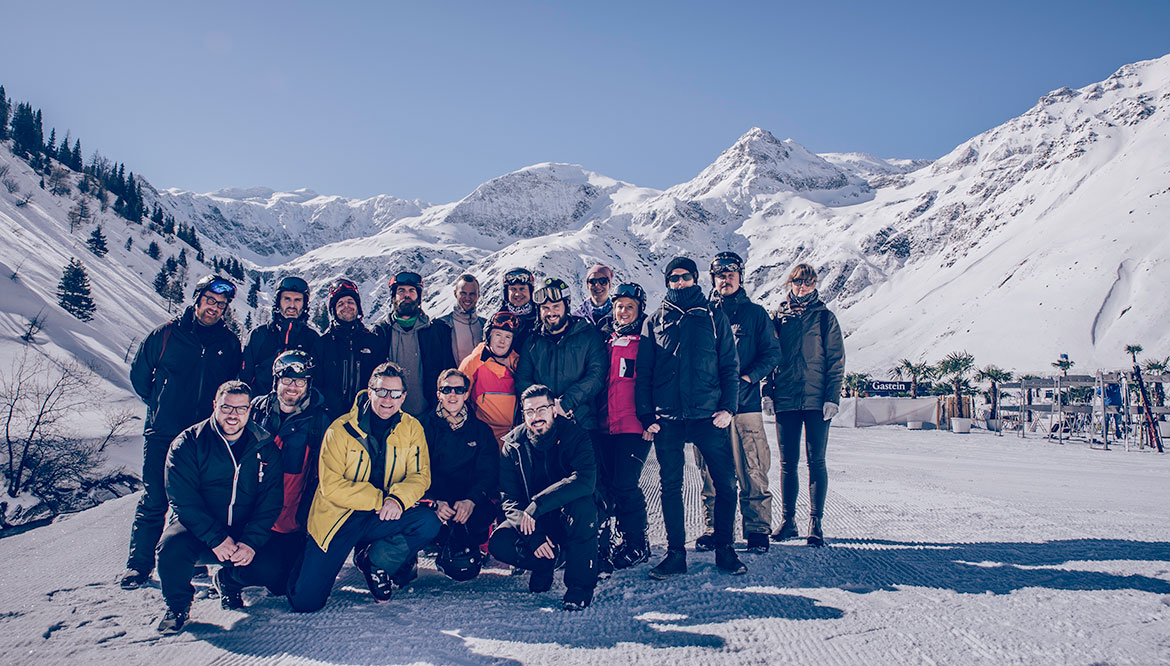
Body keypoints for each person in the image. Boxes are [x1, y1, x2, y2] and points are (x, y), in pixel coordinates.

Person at [287, 362, 441, 611]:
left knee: (427, 521)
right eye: (381, 391)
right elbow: (331, 486)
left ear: (403, 397)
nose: (387, 399)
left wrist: (398, 500)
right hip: (341, 518)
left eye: (394, 393)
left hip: (382, 515)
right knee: (305, 601)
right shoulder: (340, 430)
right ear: (369, 392)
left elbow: (420, 476)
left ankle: (375, 559)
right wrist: (382, 500)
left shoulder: (411, 428)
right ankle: (307, 559)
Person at [123, 275, 243, 590]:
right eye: (210, 301)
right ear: (197, 299)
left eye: (221, 304)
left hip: (204, 436)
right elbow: (140, 377)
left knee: (194, 499)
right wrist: (161, 404)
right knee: (154, 498)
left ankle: (189, 562)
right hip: (163, 432)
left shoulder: (228, 344)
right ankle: (139, 566)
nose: (214, 308)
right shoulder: (165, 335)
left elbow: (231, 387)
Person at [635, 257, 745, 579]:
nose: (679, 283)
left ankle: (725, 550)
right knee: (670, 486)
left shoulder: (713, 316)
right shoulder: (655, 321)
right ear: (667, 282)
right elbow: (643, 374)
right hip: (668, 418)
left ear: (696, 279)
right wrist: (646, 414)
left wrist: (729, 408)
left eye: (685, 277)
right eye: (674, 278)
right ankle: (675, 554)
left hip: (708, 416)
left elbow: (729, 366)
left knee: (726, 483)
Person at [154, 381, 282, 634]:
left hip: (243, 531)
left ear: (249, 411)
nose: (233, 415)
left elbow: (270, 501)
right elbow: (183, 499)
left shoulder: (264, 447)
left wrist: (251, 542)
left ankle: (229, 582)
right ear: (215, 406)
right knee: (170, 549)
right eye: (227, 407)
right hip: (199, 529)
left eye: (241, 408)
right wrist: (216, 538)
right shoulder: (189, 443)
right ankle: (177, 606)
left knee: (279, 570)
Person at [213, 351, 331, 608]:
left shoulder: (320, 420)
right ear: (276, 381)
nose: (292, 387)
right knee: (259, 568)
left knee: (282, 584)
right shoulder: (255, 411)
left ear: (308, 383)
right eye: (286, 379)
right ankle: (229, 578)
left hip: (291, 519)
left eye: (300, 381)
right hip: (253, 514)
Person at [695, 252, 781, 553]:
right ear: (713, 279)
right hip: (709, 408)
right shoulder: (702, 314)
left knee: (753, 468)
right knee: (710, 472)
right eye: (720, 274)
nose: (725, 278)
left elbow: (772, 354)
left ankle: (757, 529)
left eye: (731, 273)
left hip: (745, 407)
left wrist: (748, 378)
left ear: (740, 277)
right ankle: (714, 528)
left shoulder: (755, 314)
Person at [489, 385, 598, 611]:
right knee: (500, 542)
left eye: (542, 409)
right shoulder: (513, 445)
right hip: (534, 522)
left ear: (554, 410)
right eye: (530, 412)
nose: (536, 417)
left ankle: (579, 587)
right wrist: (534, 538)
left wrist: (537, 504)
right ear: (523, 414)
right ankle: (545, 561)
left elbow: (585, 480)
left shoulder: (575, 435)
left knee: (584, 507)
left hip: (564, 516)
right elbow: (509, 498)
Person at [765, 263, 845, 547]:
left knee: (816, 462)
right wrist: (767, 391)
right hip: (786, 398)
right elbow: (769, 356)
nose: (802, 288)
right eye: (798, 283)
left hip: (816, 401)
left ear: (815, 286)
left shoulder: (825, 318)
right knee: (788, 464)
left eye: (808, 283)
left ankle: (816, 521)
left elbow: (835, 362)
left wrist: (832, 398)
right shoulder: (778, 317)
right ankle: (788, 521)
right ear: (790, 283)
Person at [418, 369, 499, 581]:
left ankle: (471, 542)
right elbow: (415, 470)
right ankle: (436, 542)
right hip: (437, 498)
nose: (452, 394)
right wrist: (434, 501)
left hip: (467, 499)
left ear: (465, 394)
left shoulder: (481, 430)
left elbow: (488, 470)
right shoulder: (421, 428)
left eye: (458, 389)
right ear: (438, 394)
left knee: (480, 518)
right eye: (446, 389)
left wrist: (472, 500)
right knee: (424, 522)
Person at [598, 282, 654, 570]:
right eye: (619, 306)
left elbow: (653, 381)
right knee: (607, 484)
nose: (622, 311)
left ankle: (637, 541)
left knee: (625, 483)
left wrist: (651, 418)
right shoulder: (607, 341)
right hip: (607, 424)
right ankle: (610, 539)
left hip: (634, 425)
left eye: (629, 307)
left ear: (639, 310)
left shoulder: (645, 343)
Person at [514, 278, 608, 433]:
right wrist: (546, 406)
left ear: (567, 306)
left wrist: (566, 403)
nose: (551, 313)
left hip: (581, 423)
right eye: (545, 308)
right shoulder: (532, 342)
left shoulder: (588, 336)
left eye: (556, 306)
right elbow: (523, 380)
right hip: (543, 425)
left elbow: (596, 376)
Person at [373, 271, 456, 417]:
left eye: (412, 291)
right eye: (401, 291)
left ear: (419, 297)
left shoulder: (434, 332)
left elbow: (447, 373)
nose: (407, 295)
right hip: (388, 417)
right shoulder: (380, 333)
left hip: (427, 415)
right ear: (393, 296)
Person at [312, 278, 386, 421]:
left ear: (358, 307)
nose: (346, 306)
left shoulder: (373, 341)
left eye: (351, 302)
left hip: (366, 418)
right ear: (333, 310)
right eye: (340, 303)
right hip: (328, 419)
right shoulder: (322, 345)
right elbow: (315, 385)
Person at [241, 276, 320, 396]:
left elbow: (317, 380)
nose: (292, 305)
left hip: (299, 410)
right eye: (287, 299)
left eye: (298, 300)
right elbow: (245, 377)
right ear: (278, 301)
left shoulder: (312, 339)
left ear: (304, 304)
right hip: (260, 408)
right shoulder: (259, 335)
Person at [458, 311, 521, 447]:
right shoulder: (473, 363)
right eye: (497, 334)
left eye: (508, 337)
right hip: (485, 437)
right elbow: (458, 398)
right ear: (488, 336)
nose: (502, 341)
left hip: (516, 436)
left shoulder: (519, 364)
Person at [438, 274, 486, 363]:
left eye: (472, 294)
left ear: (478, 295)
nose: (467, 298)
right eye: (463, 293)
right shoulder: (441, 327)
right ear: (455, 294)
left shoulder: (485, 326)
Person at [496, 267, 539, 349]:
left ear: (531, 291)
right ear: (506, 293)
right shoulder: (498, 321)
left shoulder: (541, 319)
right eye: (513, 289)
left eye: (522, 289)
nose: (517, 294)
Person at [572, 264, 614, 328]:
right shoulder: (577, 317)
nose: (597, 285)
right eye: (593, 281)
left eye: (603, 281)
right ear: (588, 285)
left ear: (609, 284)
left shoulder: (618, 315)